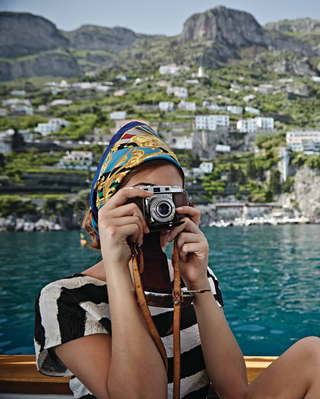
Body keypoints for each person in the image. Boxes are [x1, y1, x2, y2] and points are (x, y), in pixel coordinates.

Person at [34, 120, 320, 399]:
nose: (158, 208)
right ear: (108, 204)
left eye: (168, 197)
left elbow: (234, 390)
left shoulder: (195, 278)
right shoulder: (65, 299)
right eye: (144, 195)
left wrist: (199, 285)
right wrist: (118, 267)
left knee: (314, 354)